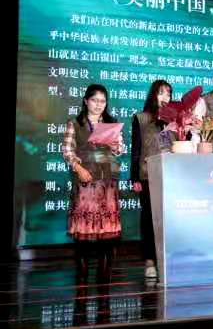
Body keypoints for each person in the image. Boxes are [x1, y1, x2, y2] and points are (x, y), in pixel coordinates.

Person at [62, 84, 123, 283]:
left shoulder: (111, 123)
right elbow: (67, 151)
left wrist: (115, 145)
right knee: (84, 231)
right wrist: (78, 168)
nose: (98, 105)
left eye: (102, 101)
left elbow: (119, 151)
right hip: (85, 180)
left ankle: (104, 275)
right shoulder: (75, 123)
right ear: (86, 101)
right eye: (95, 100)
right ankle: (81, 275)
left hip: (107, 182)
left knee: (107, 233)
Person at [131, 80, 175, 279]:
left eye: (168, 93)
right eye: (161, 93)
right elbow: (136, 149)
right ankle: (149, 260)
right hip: (147, 174)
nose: (165, 97)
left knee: (168, 219)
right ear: (153, 95)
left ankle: (165, 258)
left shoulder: (174, 119)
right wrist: (134, 177)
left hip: (171, 175)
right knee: (149, 218)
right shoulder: (141, 118)